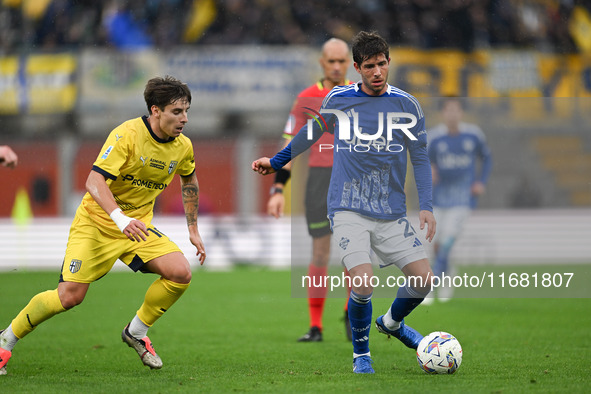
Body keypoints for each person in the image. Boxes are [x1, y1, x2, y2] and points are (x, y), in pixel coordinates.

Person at [253, 31, 436, 374]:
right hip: (347, 207)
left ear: (389, 62)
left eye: (382, 64)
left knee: (424, 281)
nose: (377, 72)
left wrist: (426, 204)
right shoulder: (338, 100)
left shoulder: (407, 104)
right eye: (369, 66)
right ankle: (361, 354)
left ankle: (392, 323)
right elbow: (309, 132)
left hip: (391, 211)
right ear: (357, 68)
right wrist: (276, 162)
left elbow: (420, 158)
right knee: (362, 283)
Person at [0, 76, 206, 375]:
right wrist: (120, 218)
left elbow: (189, 179)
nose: (184, 119)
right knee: (69, 296)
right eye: (177, 112)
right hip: (97, 223)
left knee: (180, 273)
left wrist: (193, 228)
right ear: (156, 110)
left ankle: (135, 332)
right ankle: (5, 341)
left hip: (136, 228)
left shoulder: (182, 147)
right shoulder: (127, 135)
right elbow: (94, 180)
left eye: (187, 111)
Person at [267, 38, 353, 342]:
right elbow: (289, 146)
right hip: (319, 180)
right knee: (320, 253)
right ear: (322, 62)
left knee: (355, 252)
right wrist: (277, 189)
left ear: (350, 63)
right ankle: (316, 326)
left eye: (342, 61)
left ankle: (351, 312)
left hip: (353, 179)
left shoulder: (363, 95)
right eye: (331, 61)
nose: (336, 66)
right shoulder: (305, 98)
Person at [426, 97, 492, 302]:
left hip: (463, 199)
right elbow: (423, 161)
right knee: (434, 243)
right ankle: (448, 273)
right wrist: (430, 170)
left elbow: (487, 157)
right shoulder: (434, 137)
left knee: (447, 242)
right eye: (448, 110)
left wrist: (481, 181)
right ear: (443, 113)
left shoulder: (473, 135)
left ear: (461, 112)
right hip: (438, 199)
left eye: (456, 110)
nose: (452, 114)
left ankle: (431, 285)